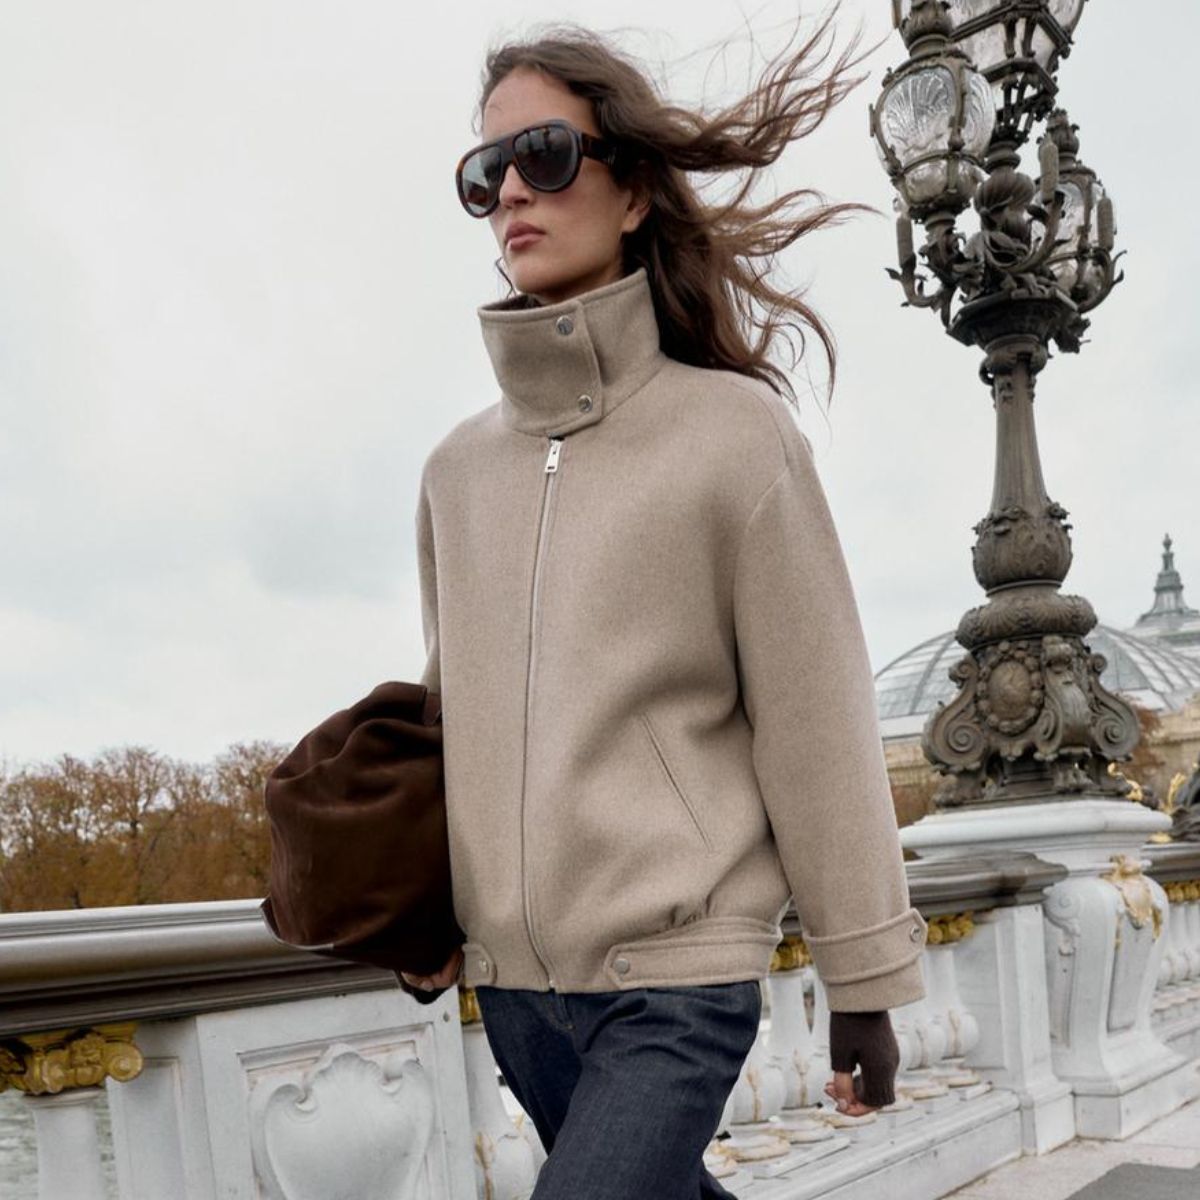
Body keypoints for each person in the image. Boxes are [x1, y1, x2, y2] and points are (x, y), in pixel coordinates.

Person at [400, 8, 927, 1197]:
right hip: (522, 994)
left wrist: (867, 984)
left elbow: (815, 720)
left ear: (633, 189)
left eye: (544, 156)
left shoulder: (735, 439)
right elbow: (453, 721)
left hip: (677, 973)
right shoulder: (454, 473)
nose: (511, 197)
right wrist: (420, 909)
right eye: (485, 174)